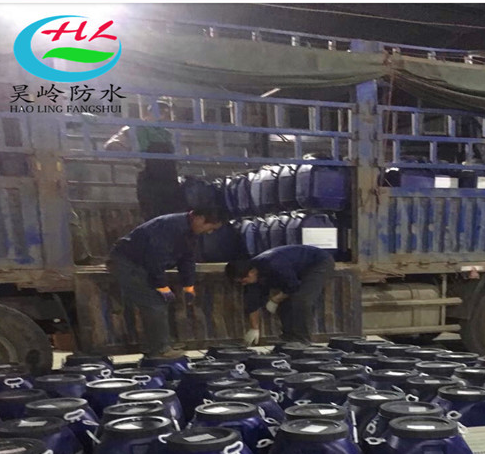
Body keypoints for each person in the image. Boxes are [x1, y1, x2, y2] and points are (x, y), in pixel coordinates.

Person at [108, 208, 224, 357]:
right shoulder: (168, 226)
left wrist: (188, 285)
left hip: (144, 264)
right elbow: (155, 258)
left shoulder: (191, 232)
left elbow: (187, 259)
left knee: (159, 302)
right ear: (199, 218)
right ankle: (159, 350)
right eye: (210, 227)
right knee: (154, 302)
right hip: (126, 262)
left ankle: (159, 343)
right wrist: (161, 286)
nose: (209, 232)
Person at [225, 245, 335, 345]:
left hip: (318, 262)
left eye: (244, 281)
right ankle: (288, 337)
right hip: (296, 270)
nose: (243, 284)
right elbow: (252, 303)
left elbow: (293, 286)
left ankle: (302, 340)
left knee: (301, 300)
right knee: (286, 302)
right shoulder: (252, 278)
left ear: (251, 272)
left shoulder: (274, 265)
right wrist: (254, 328)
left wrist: (275, 299)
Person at [105, 101, 186, 222]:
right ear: (148, 113)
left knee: (171, 214)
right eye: (160, 112)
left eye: (166, 113)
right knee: (152, 215)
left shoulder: (167, 134)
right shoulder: (134, 128)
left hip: (169, 181)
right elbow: (111, 145)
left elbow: (177, 157)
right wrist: (132, 157)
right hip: (149, 180)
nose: (163, 116)